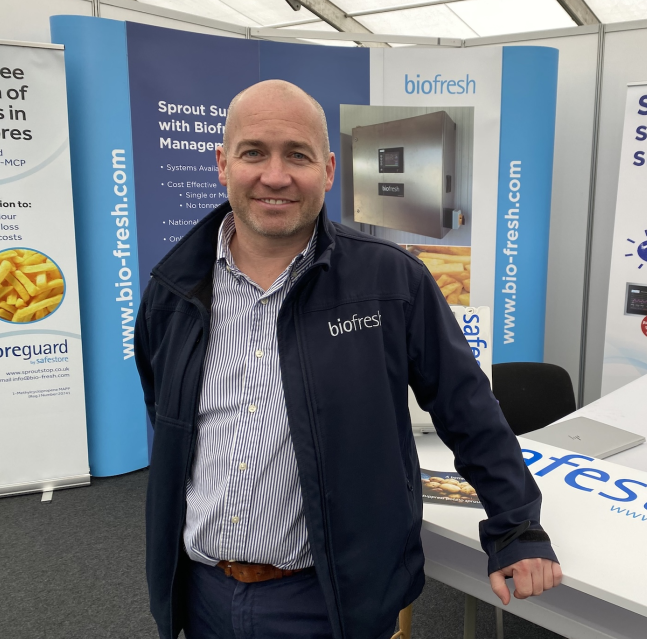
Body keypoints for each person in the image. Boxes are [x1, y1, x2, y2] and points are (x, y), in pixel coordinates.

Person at [135, 79, 561, 639]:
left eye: (298, 155)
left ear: (330, 170)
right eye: (254, 152)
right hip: (202, 592)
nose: (275, 175)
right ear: (222, 163)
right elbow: (168, 418)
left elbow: (468, 409)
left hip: (333, 598)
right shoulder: (175, 287)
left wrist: (516, 527)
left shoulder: (390, 281)